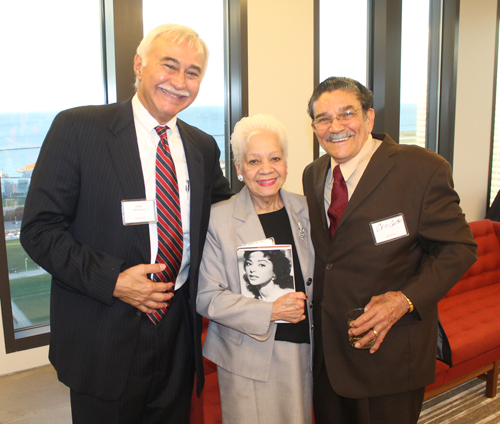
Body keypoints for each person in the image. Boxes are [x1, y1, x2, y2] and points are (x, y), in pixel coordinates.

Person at [20, 24, 232, 424]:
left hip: (175, 333)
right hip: (102, 333)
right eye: (169, 66)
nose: (180, 82)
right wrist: (113, 280)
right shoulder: (79, 129)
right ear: (139, 64)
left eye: (193, 72)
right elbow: (39, 230)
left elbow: (225, 213)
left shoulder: (202, 146)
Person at [302, 76, 478, 424]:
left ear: (368, 117)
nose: (335, 126)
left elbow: (459, 248)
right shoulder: (313, 173)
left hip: (389, 351)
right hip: (327, 352)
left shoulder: (421, 169)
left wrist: (404, 300)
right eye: (323, 119)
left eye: (346, 114)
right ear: (313, 127)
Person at [197, 114, 315, 424]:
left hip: (305, 350)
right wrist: (270, 312)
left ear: (286, 162)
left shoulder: (307, 210)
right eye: (253, 161)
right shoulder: (218, 219)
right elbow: (207, 297)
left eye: (275, 158)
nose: (266, 169)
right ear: (238, 168)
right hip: (248, 355)